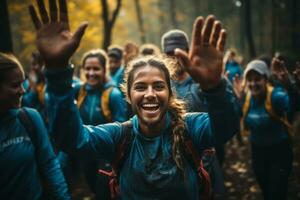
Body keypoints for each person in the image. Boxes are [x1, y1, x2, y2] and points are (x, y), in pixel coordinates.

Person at [29, 0, 239, 199]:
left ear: (170, 93)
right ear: (129, 96)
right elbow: (72, 139)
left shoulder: (191, 127)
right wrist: (57, 72)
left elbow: (225, 128)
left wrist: (214, 87)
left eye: (158, 86)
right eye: (140, 87)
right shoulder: (119, 136)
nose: (150, 94)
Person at [0, 52, 70, 200]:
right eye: (15, 85)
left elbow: (49, 164)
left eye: (22, 83)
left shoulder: (29, 118)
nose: (23, 90)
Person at [235, 60, 293, 200]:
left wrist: (289, 86)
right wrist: (236, 99)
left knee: (276, 193)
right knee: (266, 191)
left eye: (257, 79)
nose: (253, 84)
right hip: (258, 152)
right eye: (250, 80)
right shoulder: (246, 98)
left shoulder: (276, 95)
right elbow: (235, 116)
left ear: (266, 79)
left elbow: (293, 108)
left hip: (279, 152)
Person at [76, 49, 128, 199]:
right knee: (92, 187)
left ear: (104, 69)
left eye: (96, 68)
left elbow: (121, 127)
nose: (91, 73)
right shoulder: (79, 91)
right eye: (88, 68)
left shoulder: (113, 94)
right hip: (86, 150)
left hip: (106, 155)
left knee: (103, 193)